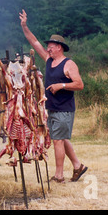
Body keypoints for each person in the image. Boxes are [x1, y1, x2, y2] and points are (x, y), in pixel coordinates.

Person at [19, 9, 87, 183]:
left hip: (64, 110)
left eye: (50, 45)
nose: (47, 47)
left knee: (58, 141)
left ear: (59, 47)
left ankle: (59, 176)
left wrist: (61, 85)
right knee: (61, 139)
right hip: (52, 108)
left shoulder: (68, 64)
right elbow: (34, 42)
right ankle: (78, 166)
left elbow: (79, 84)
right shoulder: (49, 60)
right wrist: (24, 26)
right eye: (47, 45)